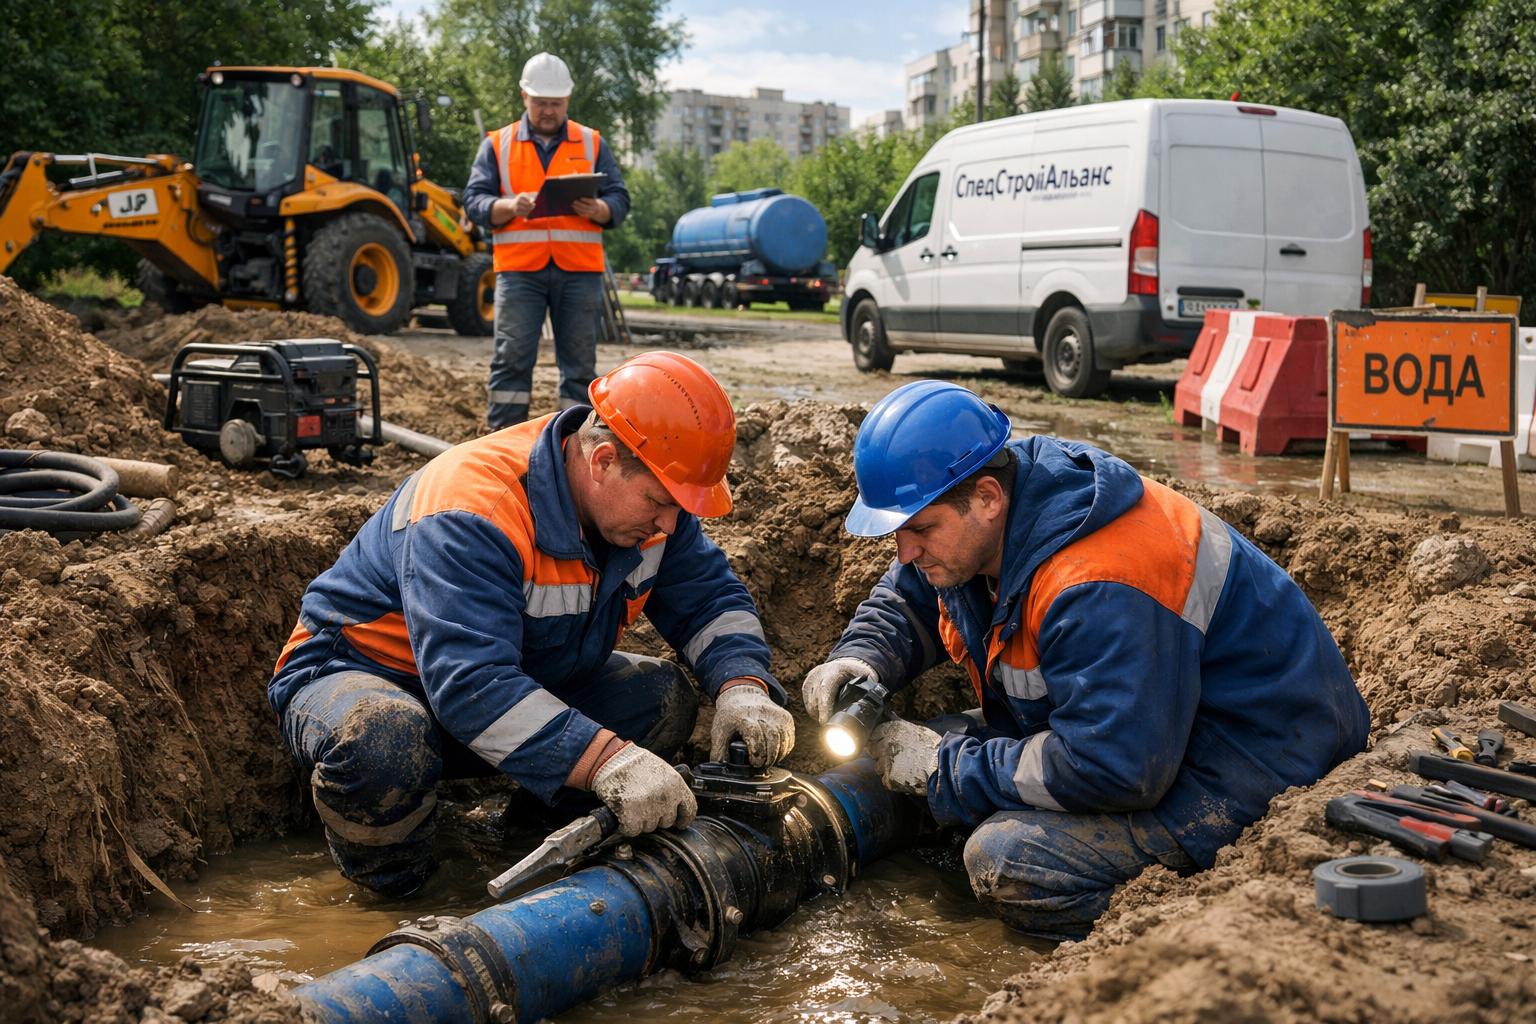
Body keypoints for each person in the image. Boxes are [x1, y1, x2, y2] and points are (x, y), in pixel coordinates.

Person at [803, 380, 1368, 940]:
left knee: (1008, 858)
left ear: (987, 499)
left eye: (919, 529)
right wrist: (861, 660)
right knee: (936, 752)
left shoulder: (1097, 582)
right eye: (898, 533)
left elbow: (1114, 768)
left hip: (1258, 759)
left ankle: (1156, 933)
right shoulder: (991, 513)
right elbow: (912, 597)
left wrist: (943, 770)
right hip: (1159, 729)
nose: (906, 551)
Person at [268, 352, 794, 896]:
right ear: (603, 461)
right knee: (386, 739)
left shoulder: (654, 507)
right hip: (360, 679)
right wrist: (606, 761)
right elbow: (470, 684)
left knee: (660, 698)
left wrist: (742, 686)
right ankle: (396, 896)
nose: (669, 522)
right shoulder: (474, 510)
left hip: (500, 689)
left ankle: (531, 844)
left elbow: (709, 599)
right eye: (660, 503)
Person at [462, 52, 631, 430]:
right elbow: (473, 201)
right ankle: (502, 444)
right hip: (520, 270)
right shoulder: (497, 144)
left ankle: (573, 447)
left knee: (579, 367)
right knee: (511, 361)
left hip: (579, 272)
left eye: (556, 104)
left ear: (567, 101)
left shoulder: (592, 143)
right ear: (524, 96)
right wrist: (509, 205)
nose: (549, 111)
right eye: (541, 103)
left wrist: (600, 209)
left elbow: (621, 199)